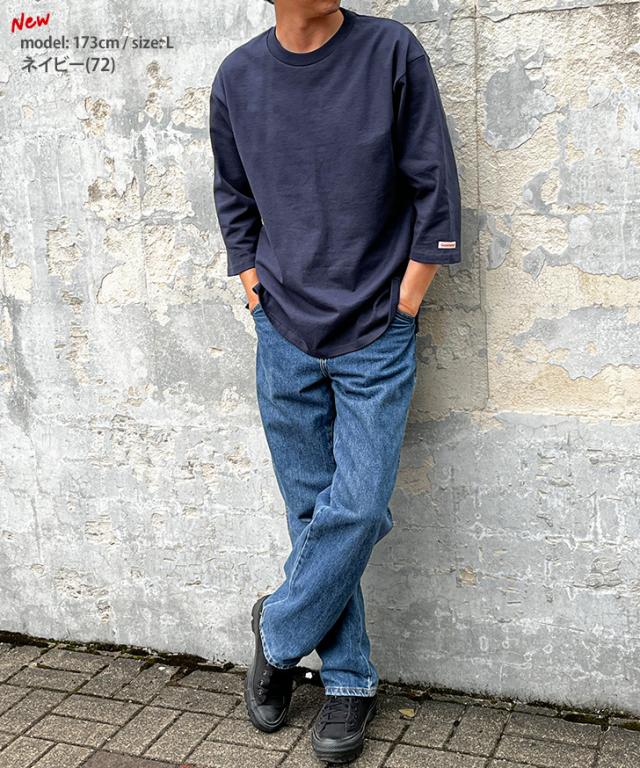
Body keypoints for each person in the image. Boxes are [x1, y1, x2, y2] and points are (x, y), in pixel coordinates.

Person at [209, 0, 461, 762]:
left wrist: (405, 303)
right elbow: (233, 197)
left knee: (356, 507)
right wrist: (253, 285)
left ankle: (278, 629)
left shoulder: (390, 53)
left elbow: (435, 188)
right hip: (282, 330)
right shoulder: (238, 78)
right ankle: (349, 679)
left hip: (377, 331)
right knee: (308, 512)